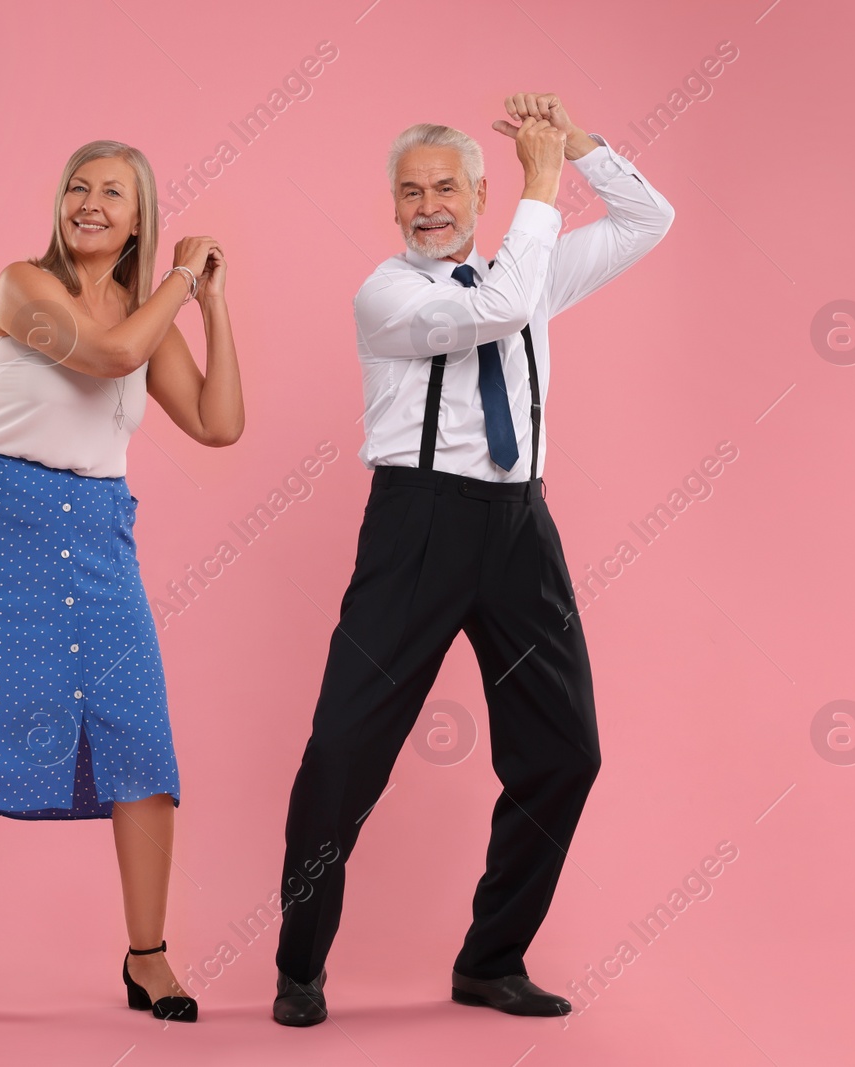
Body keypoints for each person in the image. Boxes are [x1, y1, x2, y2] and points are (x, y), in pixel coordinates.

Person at [271, 94, 674, 1025]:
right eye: (410, 190)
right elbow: (496, 312)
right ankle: (301, 963)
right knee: (342, 752)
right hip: (417, 527)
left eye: (447, 185)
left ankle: (492, 959)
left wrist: (577, 148)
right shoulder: (389, 293)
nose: (428, 204)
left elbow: (649, 219)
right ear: (393, 205)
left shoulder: (529, 269)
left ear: (478, 190)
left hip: (521, 529)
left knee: (566, 753)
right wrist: (542, 187)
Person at [0, 139, 243, 1027]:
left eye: (112, 192)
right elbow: (113, 355)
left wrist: (213, 305)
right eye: (78, 186)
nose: (89, 202)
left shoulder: (144, 311)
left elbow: (218, 421)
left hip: (100, 536)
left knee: (140, 746)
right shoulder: (22, 286)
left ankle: (148, 957)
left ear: (137, 216)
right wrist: (180, 284)